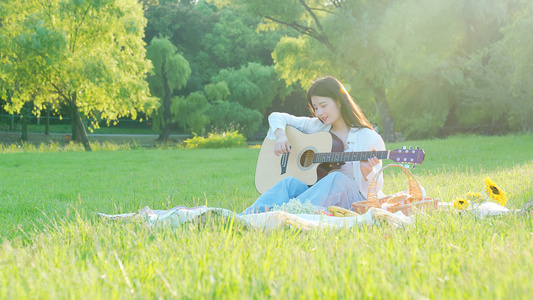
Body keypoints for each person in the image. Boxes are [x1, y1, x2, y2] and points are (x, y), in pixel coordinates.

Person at [243, 76, 386, 214]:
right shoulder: (318, 126)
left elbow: (375, 191)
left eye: (323, 106)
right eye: (316, 108)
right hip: (319, 196)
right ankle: (244, 216)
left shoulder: (368, 137)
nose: (319, 113)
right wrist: (281, 136)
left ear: (339, 101)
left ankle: (284, 214)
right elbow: (276, 116)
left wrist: (367, 173)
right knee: (289, 183)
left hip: (354, 201)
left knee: (337, 178)